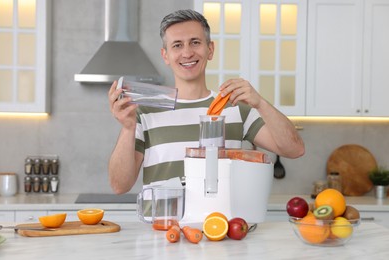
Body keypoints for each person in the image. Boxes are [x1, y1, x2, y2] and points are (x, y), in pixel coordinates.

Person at [108, 9, 305, 194]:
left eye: (195, 42)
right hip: (163, 229)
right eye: (177, 45)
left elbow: (295, 149)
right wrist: (127, 128)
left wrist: (261, 103)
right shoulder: (144, 112)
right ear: (165, 55)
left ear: (210, 49)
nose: (187, 53)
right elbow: (120, 186)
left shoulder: (236, 107)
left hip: (220, 228)